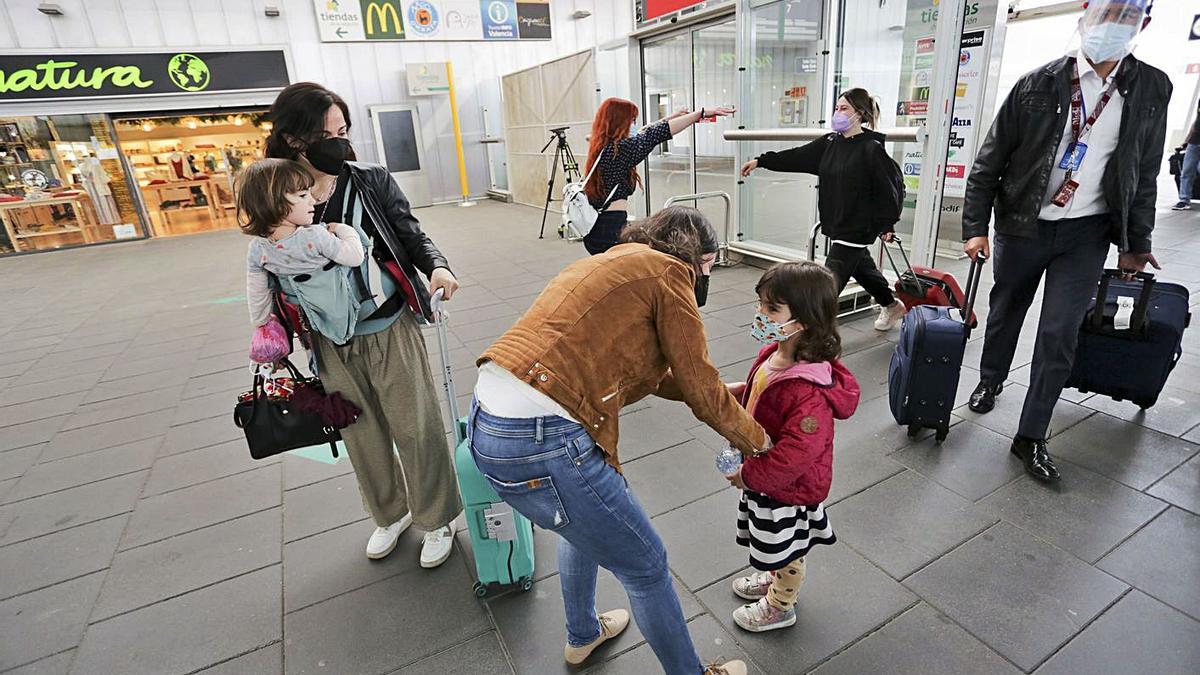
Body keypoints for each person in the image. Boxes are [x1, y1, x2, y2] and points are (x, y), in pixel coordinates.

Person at [470, 206, 767, 675]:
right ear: (693, 254)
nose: (705, 277)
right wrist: (761, 443)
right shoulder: (671, 272)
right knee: (647, 567)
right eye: (708, 265)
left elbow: (651, 370)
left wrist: (710, 392)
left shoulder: (613, 261)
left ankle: (583, 636)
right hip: (545, 438)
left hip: (490, 425)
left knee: (580, 527)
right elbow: (699, 383)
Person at [962, 0, 1170, 482]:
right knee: (1006, 309)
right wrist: (975, 227)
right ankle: (990, 381)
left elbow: (1144, 172)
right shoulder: (1036, 83)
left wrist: (1135, 241)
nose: (1111, 25)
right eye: (1104, 13)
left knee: (1059, 333)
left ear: (1143, 25)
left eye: (1125, 16)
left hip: (1087, 232)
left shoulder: (1152, 87)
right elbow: (989, 164)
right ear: (1083, 18)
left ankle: (1031, 435)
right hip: (1022, 223)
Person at [265, 82, 463, 563]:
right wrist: (274, 328)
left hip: (389, 326)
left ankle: (436, 519)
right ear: (295, 139)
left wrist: (437, 265)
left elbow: (410, 232)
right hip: (329, 340)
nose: (340, 141)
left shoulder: (368, 179)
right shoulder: (275, 190)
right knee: (361, 433)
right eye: (328, 133)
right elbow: (266, 256)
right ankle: (389, 513)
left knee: (416, 426)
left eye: (344, 130)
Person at [723, 262, 859, 633]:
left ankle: (781, 605)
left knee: (788, 547)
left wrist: (750, 475)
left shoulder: (809, 391)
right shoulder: (774, 354)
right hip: (767, 479)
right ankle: (772, 576)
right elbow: (766, 395)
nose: (760, 314)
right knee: (770, 539)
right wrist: (743, 394)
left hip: (786, 488)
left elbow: (797, 453)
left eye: (771, 309)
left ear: (803, 319)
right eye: (760, 305)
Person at [740, 88, 907, 332]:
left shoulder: (871, 149)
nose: (837, 113)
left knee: (828, 283)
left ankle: (811, 330)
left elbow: (889, 189)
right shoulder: (830, 142)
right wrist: (761, 161)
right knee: (862, 268)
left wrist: (886, 224)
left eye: (844, 109)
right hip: (836, 222)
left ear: (859, 114)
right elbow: (797, 156)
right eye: (837, 108)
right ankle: (891, 305)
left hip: (858, 227)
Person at [582, 98, 735, 255]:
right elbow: (655, 134)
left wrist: (673, 117)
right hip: (609, 231)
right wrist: (700, 114)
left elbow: (646, 132)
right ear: (619, 122)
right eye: (632, 121)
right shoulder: (620, 150)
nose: (634, 125)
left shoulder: (604, 146)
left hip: (599, 228)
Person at [239, 159, 365, 341]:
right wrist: (343, 229)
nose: (313, 201)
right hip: (345, 309)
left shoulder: (259, 249)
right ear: (275, 202)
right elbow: (355, 257)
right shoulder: (314, 236)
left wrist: (262, 324)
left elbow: (257, 291)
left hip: (306, 319)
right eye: (303, 195)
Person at [1172, 107, 1198, 210]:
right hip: (1194, 141)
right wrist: (1186, 141)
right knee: (1186, 171)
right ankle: (1183, 200)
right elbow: (1196, 122)